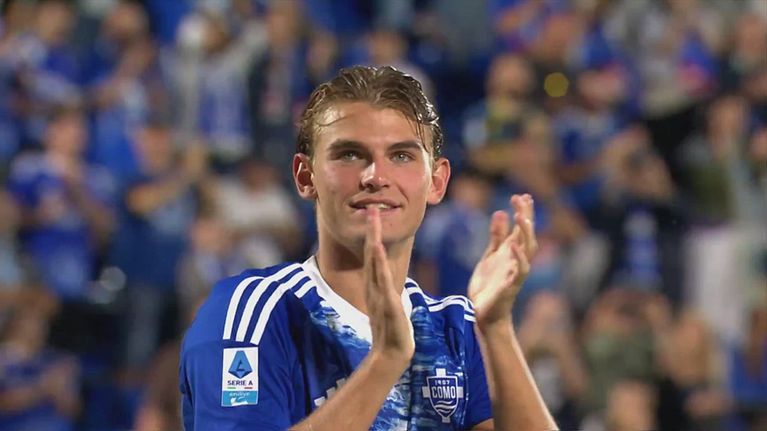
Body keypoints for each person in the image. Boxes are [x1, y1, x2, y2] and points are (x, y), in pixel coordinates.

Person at [180, 65, 557, 430]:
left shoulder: (456, 330)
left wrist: (497, 329)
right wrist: (385, 360)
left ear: (437, 182)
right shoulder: (254, 312)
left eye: (401, 156)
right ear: (305, 176)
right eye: (349, 154)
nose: (376, 176)